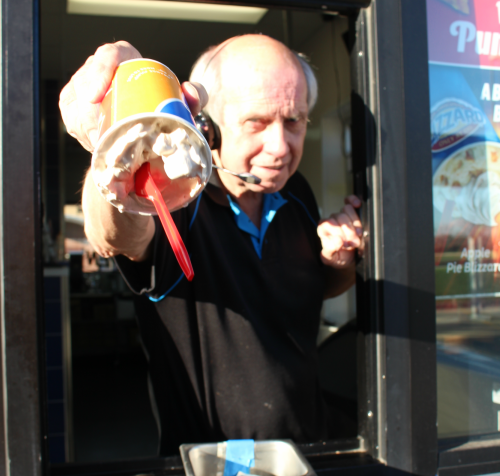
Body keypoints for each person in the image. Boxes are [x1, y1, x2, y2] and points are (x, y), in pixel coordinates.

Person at [59, 35, 363, 454]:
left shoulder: (298, 195)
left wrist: (338, 261)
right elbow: (114, 235)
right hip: (210, 474)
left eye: (294, 121)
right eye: (257, 122)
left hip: (307, 448)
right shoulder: (176, 198)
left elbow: (311, 290)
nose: (280, 147)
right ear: (207, 127)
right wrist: (118, 147)